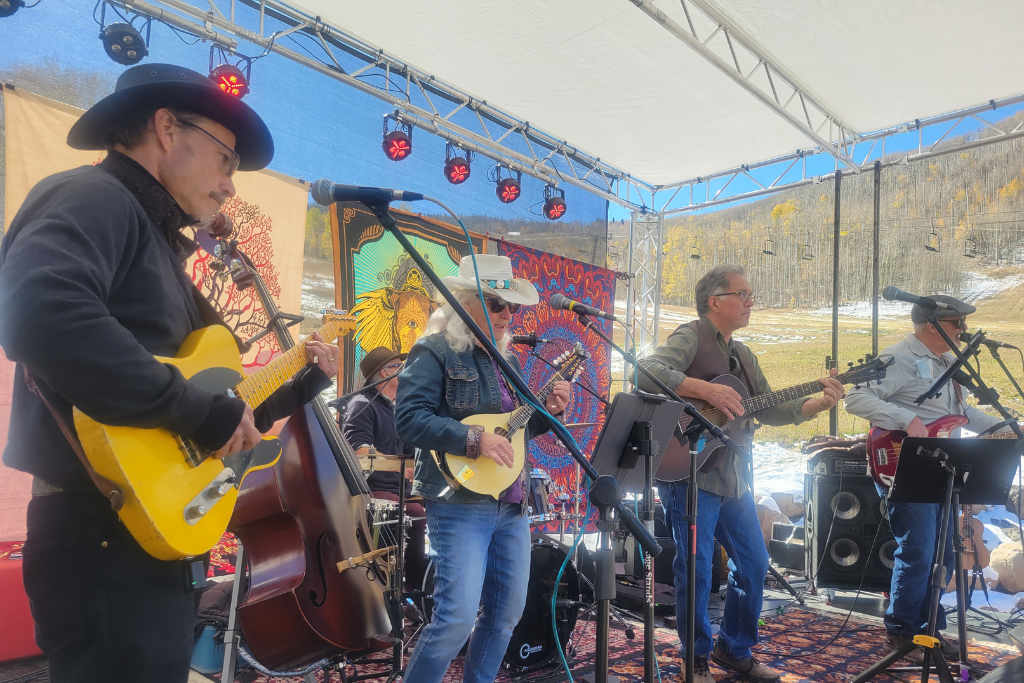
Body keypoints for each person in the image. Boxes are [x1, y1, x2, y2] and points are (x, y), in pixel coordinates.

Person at [0, 64, 339, 683]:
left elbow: (215, 414)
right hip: (100, 536)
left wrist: (302, 384)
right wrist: (195, 409)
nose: (230, 185)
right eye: (227, 159)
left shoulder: (155, 243)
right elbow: (41, 312)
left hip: (140, 534)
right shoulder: (93, 196)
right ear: (164, 127)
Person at [638, 264, 844, 683]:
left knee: (753, 562)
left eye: (751, 295)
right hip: (689, 472)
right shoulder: (689, 336)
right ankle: (693, 657)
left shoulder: (744, 356)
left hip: (733, 477)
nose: (752, 302)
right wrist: (704, 389)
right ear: (716, 301)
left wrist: (817, 406)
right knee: (694, 567)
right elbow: (647, 370)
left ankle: (734, 649)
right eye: (743, 294)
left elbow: (767, 407)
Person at [394, 254, 571, 683]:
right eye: (497, 304)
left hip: (511, 505)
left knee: (506, 614)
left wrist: (547, 411)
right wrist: (473, 440)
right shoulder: (433, 350)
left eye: (511, 305)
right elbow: (409, 419)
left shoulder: (504, 362)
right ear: (465, 302)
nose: (509, 314)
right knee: (455, 618)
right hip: (458, 503)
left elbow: (514, 434)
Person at [844, 295, 1007, 664]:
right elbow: (856, 398)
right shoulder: (897, 356)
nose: (963, 331)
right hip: (904, 462)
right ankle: (901, 634)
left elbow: (962, 414)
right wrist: (905, 419)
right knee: (917, 551)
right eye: (957, 324)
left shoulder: (949, 361)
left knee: (943, 552)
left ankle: (928, 631)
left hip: (942, 468)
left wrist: (1010, 427)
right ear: (932, 326)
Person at [340, 346, 427, 593]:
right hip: (371, 492)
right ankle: (407, 592)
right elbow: (358, 451)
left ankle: (428, 591)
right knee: (415, 513)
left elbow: (413, 455)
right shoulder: (362, 404)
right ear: (382, 374)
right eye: (399, 367)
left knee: (442, 506)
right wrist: (399, 468)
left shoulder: (399, 409)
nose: (405, 371)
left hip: (399, 490)